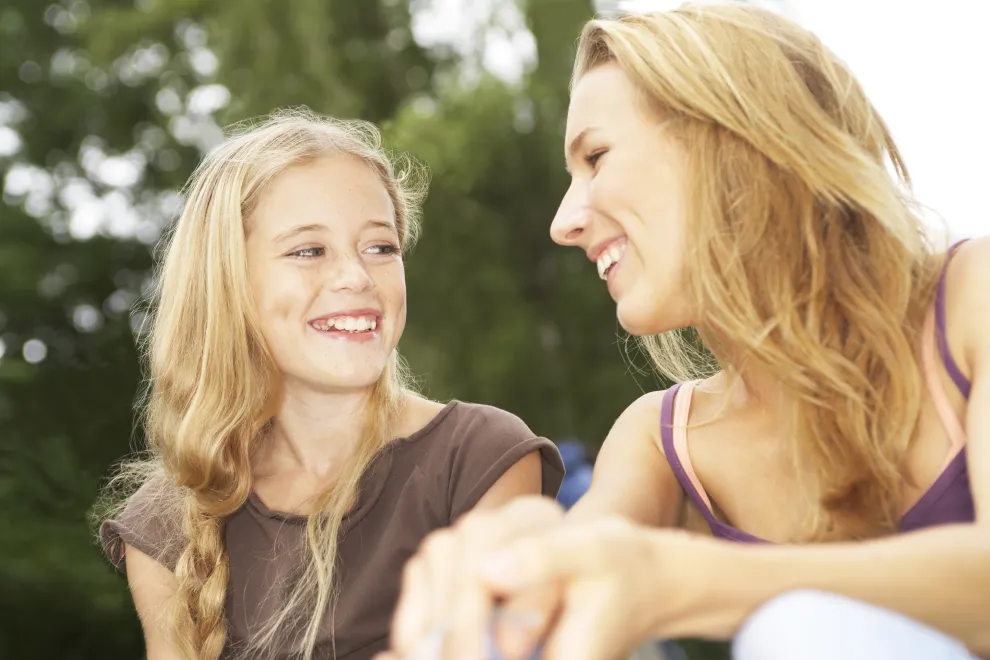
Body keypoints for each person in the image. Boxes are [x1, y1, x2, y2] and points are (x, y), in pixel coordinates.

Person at [378, 4, 989, 660]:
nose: (564, 221)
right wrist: (510, 583)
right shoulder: (664, 440)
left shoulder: (971, 296)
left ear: (729, 137)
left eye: (596, 156)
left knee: (802, 630)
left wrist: (678, 578)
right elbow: (579, 568)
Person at [96, 109, 565, 660]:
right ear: (228, 284)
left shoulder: (480, 457)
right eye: (309, 251)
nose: (357, 277)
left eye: (381, 247)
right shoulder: (165, 520)